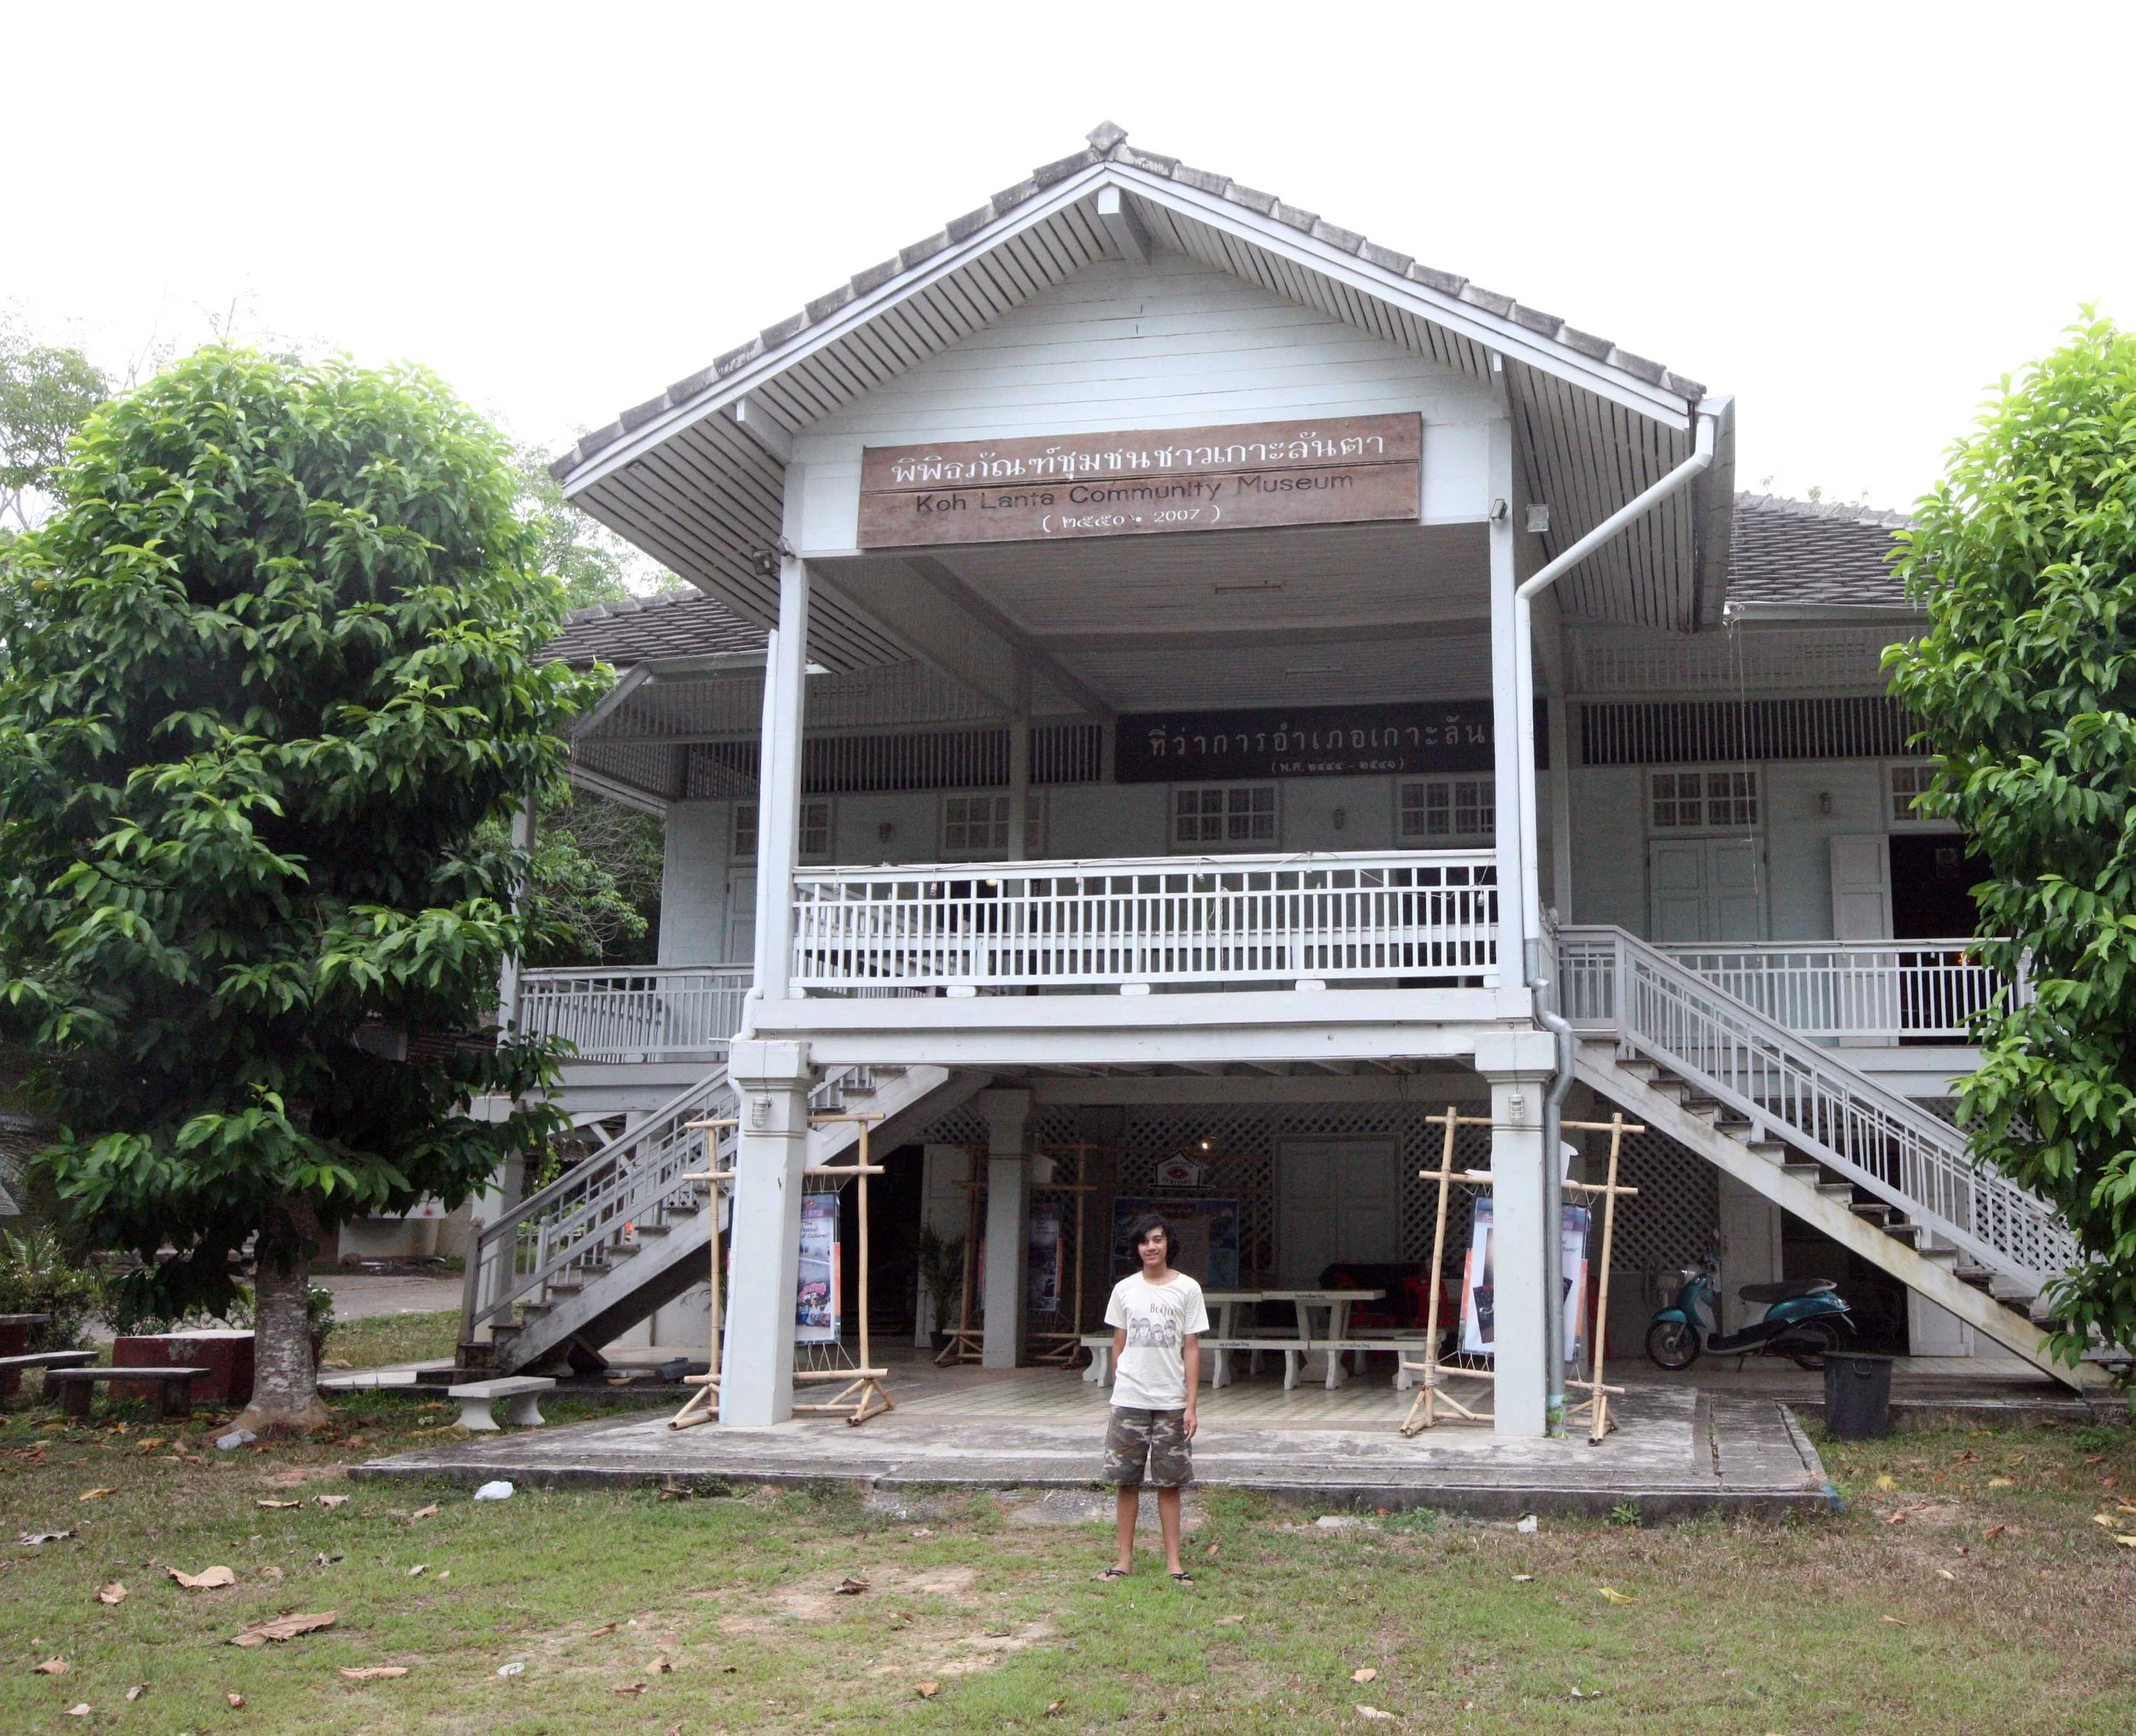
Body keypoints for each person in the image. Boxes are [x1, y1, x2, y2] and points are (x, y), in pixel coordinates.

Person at [1096, 1212, 1207, 1585]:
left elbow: (1191, 1347)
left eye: (1157, 1239)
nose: (1151, 1247)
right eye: (1144, 1241)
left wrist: (1191, 1405)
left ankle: (1174, 1563)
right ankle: (1123, 1561)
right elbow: (1118, 1342)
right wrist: (1120, 1385)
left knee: (1169, 1483)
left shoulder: (1188, 1289)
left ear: (1167, 1244)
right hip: (1130, 1400)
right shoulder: (1124, 1289)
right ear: (1137, 1248)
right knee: (1126, 1481)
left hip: (1171, 1401)